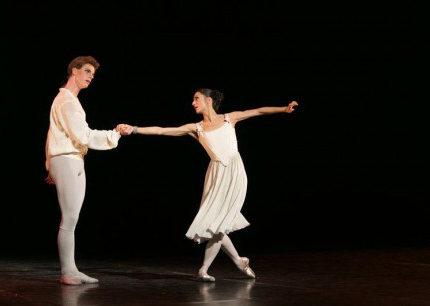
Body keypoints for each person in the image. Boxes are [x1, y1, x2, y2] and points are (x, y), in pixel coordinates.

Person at [130, 88, 298, 282]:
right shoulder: (196, 127)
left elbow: (258, 111)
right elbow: (162, 130)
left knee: (218, 224)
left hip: (234, 173)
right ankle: (238, 260)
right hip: (215, 175)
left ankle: (204, 269)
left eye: (196, 99)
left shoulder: (229, 118)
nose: (193, 103)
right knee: (216, 224)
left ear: (209, 101)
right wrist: (134, 129)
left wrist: (283, 109)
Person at [44, 55, 133, 285]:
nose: (90, 77)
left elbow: (50, 134)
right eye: (86, 72)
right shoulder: (66, 101)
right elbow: (83, 135)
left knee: (71, 217)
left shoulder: (66, 100)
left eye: (92, 74)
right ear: (74, 70)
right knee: (70, 218)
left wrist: (49, 164)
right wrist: (115, 134)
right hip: (67, 159)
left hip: (67, 159)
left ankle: (71, 269)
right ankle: (68, 271)